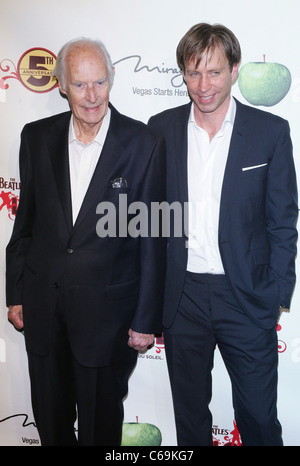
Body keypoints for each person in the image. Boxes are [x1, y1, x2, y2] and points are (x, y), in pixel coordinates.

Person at [6, 38, 166, 446]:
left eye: (100, 83)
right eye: (79, 85)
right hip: (42, 309)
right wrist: (15, 292)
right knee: (51, 423)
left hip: (108, 319)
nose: (91, 96)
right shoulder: (37, 137)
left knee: (100, 428)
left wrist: (146, 319)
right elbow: (25, 222)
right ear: (61, 85)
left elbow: (152, 236)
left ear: (111, 81)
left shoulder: (144, 144)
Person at [148, 23, 298, 446]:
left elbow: (282, 221)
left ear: (234, 70)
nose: (203, 85)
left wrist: (277, 293)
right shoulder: (159, 128)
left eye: (214, 72)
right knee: (190, 421)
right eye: (193, 73)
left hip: (246, 297)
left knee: (258, 419)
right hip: (184, 298)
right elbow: (152, 219)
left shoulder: (270, 132)